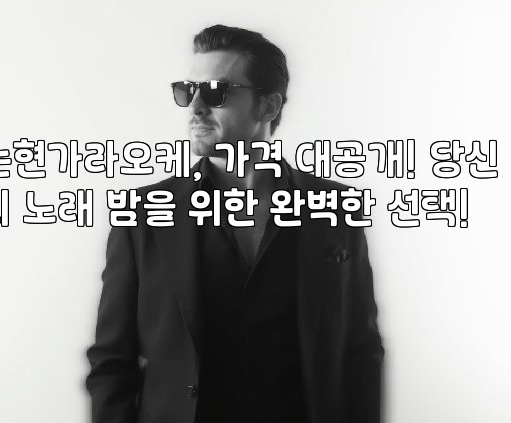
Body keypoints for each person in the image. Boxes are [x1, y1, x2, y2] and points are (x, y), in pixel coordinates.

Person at [85, 24, 384, 423]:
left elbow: (361, 350)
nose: (195, 107)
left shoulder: (337, 207)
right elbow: (111, 360)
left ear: (268, 107)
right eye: (187, 90)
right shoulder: (141, 214)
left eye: (215, 91)